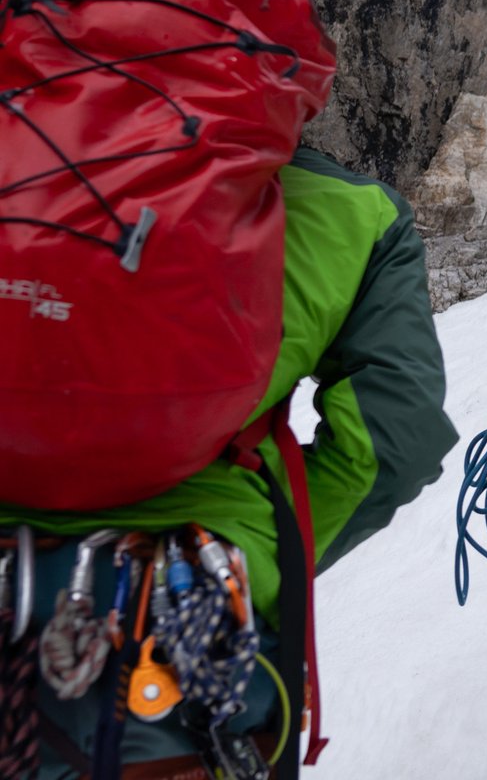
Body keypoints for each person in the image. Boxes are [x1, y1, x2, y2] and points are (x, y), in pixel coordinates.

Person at [0, 144, 458, 778]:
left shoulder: (17, 156)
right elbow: (395, 443)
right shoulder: (347, 208)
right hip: (188, 623)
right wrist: (271, 553)